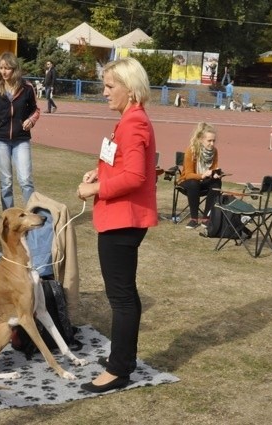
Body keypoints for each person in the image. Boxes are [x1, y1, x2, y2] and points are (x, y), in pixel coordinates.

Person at [77, 57, 158, 393]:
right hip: (122, 218)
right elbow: (125, 164)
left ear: (131, 88)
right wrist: (102, 172)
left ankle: (118, 370)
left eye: (111, 86)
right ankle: (122, 360)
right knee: (126, 296)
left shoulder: (133, 122)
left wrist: (94, 188)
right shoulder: (129, 120)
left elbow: (136, 175)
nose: (104, 92)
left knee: (121, 298)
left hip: (123, 220)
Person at [0, 51, 39, 211]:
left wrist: (31, 120)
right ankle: (9, 217)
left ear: (15, 69)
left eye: (7, 68)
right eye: (1, 68)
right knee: (6, 182)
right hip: (0, 140)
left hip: (21, 139)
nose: (4, 71)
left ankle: (32, 214)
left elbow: (35, 110)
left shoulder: (27, 87)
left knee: (25, 180)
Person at [176, 122, 222, 229]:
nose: (212, 143)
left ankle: (206, 218)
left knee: (217, 182)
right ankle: (194, 219)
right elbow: (188, 175)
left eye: (214, 141)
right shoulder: (191, 150)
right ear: (201, 139)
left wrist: (215, 174)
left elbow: (214, 168)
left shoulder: (214, 151)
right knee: (193, 183)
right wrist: (202, 175)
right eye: (209, 140)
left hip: (204, 180)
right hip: (187, 181)